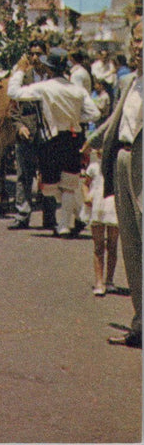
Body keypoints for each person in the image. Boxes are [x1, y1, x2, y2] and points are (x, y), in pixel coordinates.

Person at [84, 20, 141, 348]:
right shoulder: (129, 82)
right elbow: (115, 120)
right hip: (123, 162)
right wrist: (91, 139)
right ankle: (140, 324)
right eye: (137, 40)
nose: (140, 46)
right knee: (131, 247)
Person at [7, 47, 100, 238]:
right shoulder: (78, 90)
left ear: (49, 69)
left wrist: (19, 71)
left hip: (51, 139)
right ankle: (79, 215)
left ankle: (65, 226)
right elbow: (95, 113)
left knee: (52, 186)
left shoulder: (45, 87)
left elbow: (14, 92)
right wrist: (75, 118)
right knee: (68, 183)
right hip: (73, 138)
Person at [7, 40, 54, 230]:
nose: (35, 57)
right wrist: (19, 126)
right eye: (32, 53)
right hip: (26, 134)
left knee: (49, 176)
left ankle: (49, 217)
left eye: (39, 53)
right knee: (24, 176)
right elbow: (13, 109)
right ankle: (22, 214)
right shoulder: (22, 78)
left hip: (49, 133)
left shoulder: (53, 78)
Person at [82, 149, 119, 296]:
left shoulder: (117, 168)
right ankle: (99, 281)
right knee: (98, 246)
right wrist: (86, 197)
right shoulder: (93, 167)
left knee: (112, 245)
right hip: (97, 207)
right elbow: (85, 184)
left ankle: (109, 280)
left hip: (113, 208)